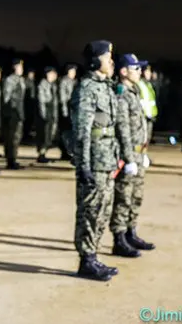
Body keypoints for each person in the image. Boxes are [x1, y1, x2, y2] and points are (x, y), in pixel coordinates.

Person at [71, 40, 120, 281]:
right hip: (93, 162)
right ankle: (87, 260)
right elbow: (82, 131)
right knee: (90, 211)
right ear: (94, 60)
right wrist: (83, 166)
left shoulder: (106, 87)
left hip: (107, 158)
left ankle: (94, 256)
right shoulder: (87, 88)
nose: (111, 60)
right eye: (106, 56)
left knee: (103, 210)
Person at [110, 54, 155, 259]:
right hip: (129, 154)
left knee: (136, 196)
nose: (140, 72)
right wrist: (128, 159)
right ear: (124, 72)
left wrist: (143, 153)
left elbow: (141, 126)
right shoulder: (121, 93)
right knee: (123, 197)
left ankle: (131, 232)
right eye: (135, 68)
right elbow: (123, 129)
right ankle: (119, 240)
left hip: (138, 152)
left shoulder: (134, 91)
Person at [2, 58, 26, 170]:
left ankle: (13, 158)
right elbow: (6, 97)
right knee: (11, 137)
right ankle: (10, 160)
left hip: (19, 111)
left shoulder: (21, 80)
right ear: (14, 67)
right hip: (12, 112)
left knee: (17, 137)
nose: (21, 69)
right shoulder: (10, 80)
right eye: (19, 67)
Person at [36, 67, 59, 163]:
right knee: (44, 134)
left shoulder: (53, 85)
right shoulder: (43, 84)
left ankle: (44, 152)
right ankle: (41, 154)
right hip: (46, 111)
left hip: (52, 111)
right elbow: (41, 101)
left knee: (50, 134)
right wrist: (43, 113)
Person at [58, 64, 78, 160]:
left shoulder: (75, 82)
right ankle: (65, 152)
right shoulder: (64, 81)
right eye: (72, 71)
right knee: (65, 132)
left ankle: (70, 152)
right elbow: (62, 98)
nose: (73, 73)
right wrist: (64, 111)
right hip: (67, 110)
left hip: (74, 110)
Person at [137, 65, 158, 146]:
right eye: (147, 72)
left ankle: (143, 155)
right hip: (143, 116)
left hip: (149, 115)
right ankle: (140, 156)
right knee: (142, 138)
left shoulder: (148, 84)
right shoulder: (139, 84)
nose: (150, 74)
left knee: (147, 138)